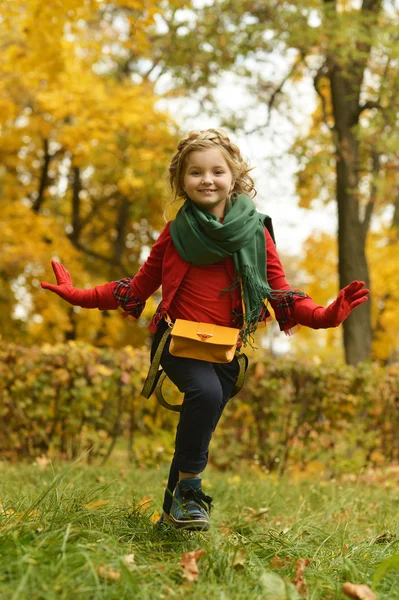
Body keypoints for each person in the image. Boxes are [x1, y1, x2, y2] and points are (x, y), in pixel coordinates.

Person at [41, 129, 369, 531]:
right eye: (196, 172)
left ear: (234, 177)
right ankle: (191, 493)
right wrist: (79, 295)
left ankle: (171, 517)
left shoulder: (255, 232)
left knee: (199, 424)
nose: (207, 179)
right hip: (175, 340)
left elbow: (280, 294)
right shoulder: (174, 233)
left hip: (226, 350)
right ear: (182, 181)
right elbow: (135, 288)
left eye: (217, 171)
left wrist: (325, 315)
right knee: (205, 393)